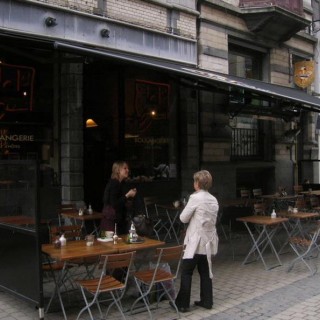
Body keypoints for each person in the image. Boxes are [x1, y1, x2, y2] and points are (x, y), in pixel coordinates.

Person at [172, 170, 219, 312]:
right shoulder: (213, 199)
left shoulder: (195, 198)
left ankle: (182, 304)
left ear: (197, 183)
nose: (194, 183)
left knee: (187, 271)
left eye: (194, 181)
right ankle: (207, 301)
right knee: (205, 271)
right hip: (208, 240)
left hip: (195, 241)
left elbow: (183, 218)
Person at [100, 161, 138, 235]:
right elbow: (114, 203)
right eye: (125, 168)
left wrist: (130, 197)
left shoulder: (121, 183)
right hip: (112, 219)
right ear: (118, 170)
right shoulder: (114, 183)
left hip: (119, 219)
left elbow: (121, 200)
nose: (127, 170)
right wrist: (128, 195)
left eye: (128, 168)